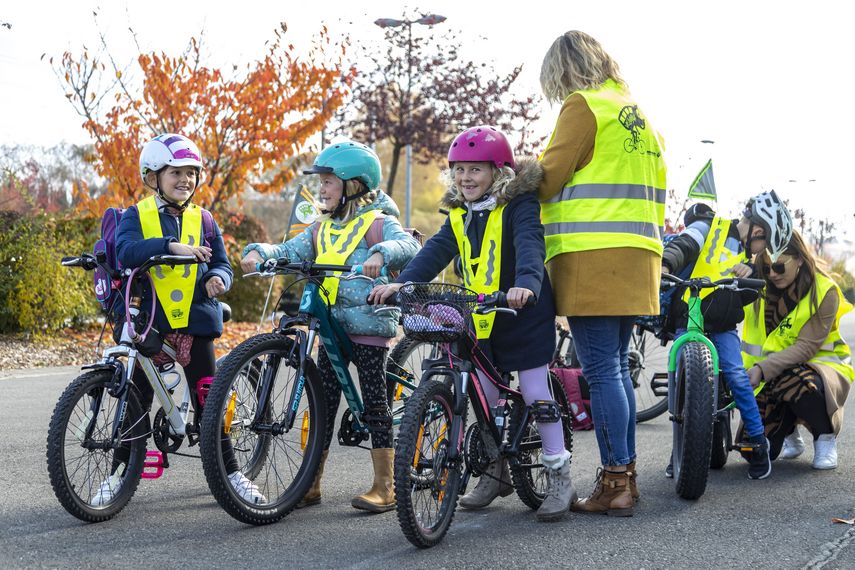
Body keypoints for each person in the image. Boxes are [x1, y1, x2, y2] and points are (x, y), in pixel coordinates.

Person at [370, 126, 574, 522]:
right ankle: (496, 471)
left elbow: (532, 245)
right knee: (483, 396)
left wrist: (526, 285)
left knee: (534, 391)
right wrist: (404, 282)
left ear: (498, 172)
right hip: (480, 315)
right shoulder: (460, 212)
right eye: (459, 169)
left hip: (522, 311)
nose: (465, 178)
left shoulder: (519, 205)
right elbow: (436, 250)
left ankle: (559, 474)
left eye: (476, 170)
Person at [241, 140, 420, 512]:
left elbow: (407, 246)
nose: (321, 189)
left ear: (353, 184)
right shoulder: (321, 227)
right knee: (323, 399)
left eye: (328, 182)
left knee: (375, 401)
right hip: (331, 327)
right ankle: (312, 482)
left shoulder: (378, 222)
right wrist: (261, 252)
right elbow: (291, 249)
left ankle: (385, 486)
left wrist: (380, 253)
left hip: (367, 323)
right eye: (320, 182)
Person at [537, 30, 667, 515]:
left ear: (562, 69)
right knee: (615, 370)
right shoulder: (637, 113)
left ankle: (616, 482)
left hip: (593, 255)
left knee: (601, 371)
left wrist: (512, 186)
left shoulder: (583, 105)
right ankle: (624, 477)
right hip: (639, 255)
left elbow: (550, 176)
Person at [104, 133, 261, 504]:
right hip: (152, 322)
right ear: (153, 175)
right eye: (175, 172)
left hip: (195, 321)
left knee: (210, 401)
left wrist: (218, 278)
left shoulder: (204, 218)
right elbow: (125, 252)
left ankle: (233, 473)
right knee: (135, 402)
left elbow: (220, 261)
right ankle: (118, 473)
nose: (185, 180)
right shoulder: (136, 215)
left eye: (191, 173)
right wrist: (168, 247)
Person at [661, 191, 794, 480]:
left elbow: (751, 293)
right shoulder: (711, 226)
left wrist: (748, 275)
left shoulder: (751, 256)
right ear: (758, 231)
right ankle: (679, 448)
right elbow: (685, 243)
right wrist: (665, 265)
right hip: (691, 317)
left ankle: (758, 443)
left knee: (737, 375)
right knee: (678, 373)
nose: (760, 251)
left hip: (723, 327)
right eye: (763, 244)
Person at [743, 230, 853, 469]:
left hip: (821, 372)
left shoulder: (825, 291)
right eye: (767, 267)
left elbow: (806, 348)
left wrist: (762, 369)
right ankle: (789, 432)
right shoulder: (761, 289)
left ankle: (825, 438)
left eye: (780, 267)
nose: (772, 274)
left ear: (800, 259)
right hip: (771, 375)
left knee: (801, 385)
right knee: (751, 451)